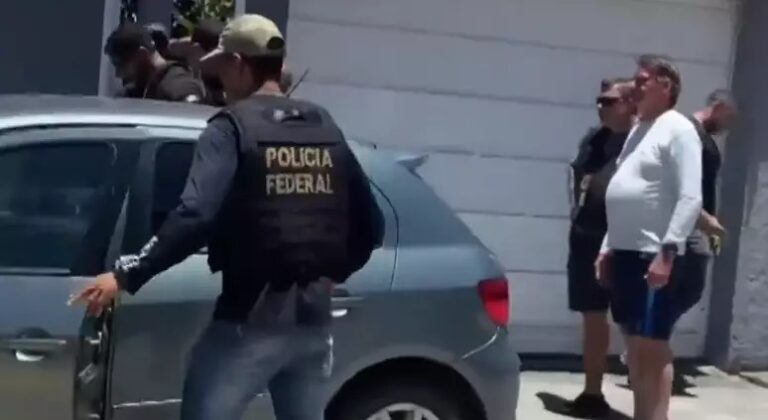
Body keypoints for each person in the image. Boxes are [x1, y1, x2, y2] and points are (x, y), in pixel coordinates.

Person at [72, 14, 384, 420]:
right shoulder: (322, 124)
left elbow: (195, 214)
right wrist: (328, 274)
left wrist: (127, 274)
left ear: (239, 65)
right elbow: (371, 225)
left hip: (248, 321)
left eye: (220, 68)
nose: (217, 81)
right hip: (313, 323)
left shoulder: (230, 128)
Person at [596, 54, 702, 420]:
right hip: (625, 253)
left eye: (643, 80)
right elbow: (625, 191)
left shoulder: (679, 129)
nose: (635, 86)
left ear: (665, 86)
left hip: (654, 255)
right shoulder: (640, 129)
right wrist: (607, 247)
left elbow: (690, 197)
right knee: (634, 348)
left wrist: (667, 253)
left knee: (652, 348)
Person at [565, 77, 635, 418]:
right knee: (592, 315)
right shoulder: (594, 139)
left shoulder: (641, 142)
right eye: (599, 100)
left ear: (630, 104)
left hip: (625, 243)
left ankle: (648, 400)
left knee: (633, 321)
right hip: (587, 238)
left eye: (608, 101)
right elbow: (577, 179)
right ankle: (592, 394)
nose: (600, 107)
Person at [105, 23, 204, 103]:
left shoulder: (177, 83)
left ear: (142, 55)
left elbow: (192, 110)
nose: (118, 74)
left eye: (120, 63)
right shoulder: (137, 90)